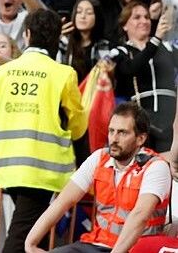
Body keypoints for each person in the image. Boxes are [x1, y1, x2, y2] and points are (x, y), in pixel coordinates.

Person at [0, 8, 87, 252]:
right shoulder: (63, 74)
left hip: (8, 165)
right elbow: (77, 124)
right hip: (42, 170)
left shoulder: (3, 71)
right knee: (24, 236)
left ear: (27, 35)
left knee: (35, 233)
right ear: (56, 39)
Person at [25, 103, 173, 253]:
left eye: (122, 133)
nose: (114, 139)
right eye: (111, 131)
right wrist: (30, 243)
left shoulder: (156, 167)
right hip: (95, 245)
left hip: (135, 249)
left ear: (140, 139)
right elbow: (63, 202)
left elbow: (140, 215)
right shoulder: (99, 158)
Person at [109, 1, 177, 153]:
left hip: (172, 124)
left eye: (147, 17)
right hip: (143, 126)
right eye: (137, 17)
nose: (144, 21)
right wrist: (155, 40)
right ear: (125, 25)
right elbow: (130, 69)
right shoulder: (120, 51)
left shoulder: (166, 48)